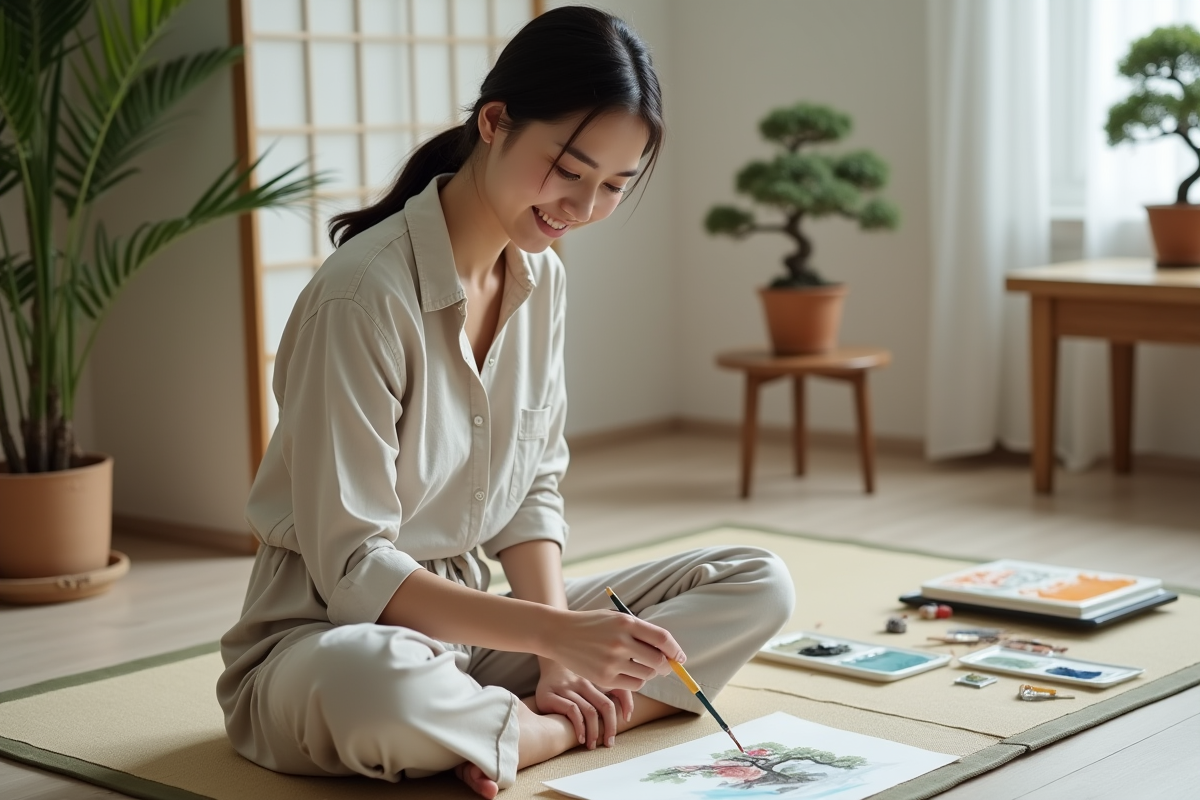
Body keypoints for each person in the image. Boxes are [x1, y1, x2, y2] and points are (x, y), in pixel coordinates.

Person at [217, 6, 795, 798]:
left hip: (480, 631)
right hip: (329, 639)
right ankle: (534, 722)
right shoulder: (361, 297)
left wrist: (559, 661)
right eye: (569, 170)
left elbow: (533, 492)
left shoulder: (541, 276)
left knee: (757, 577)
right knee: (373, 686)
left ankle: (534, 726)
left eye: (613, 186)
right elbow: (353, 569)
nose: (583, 208)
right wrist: (556, 633)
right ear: (495, 122)